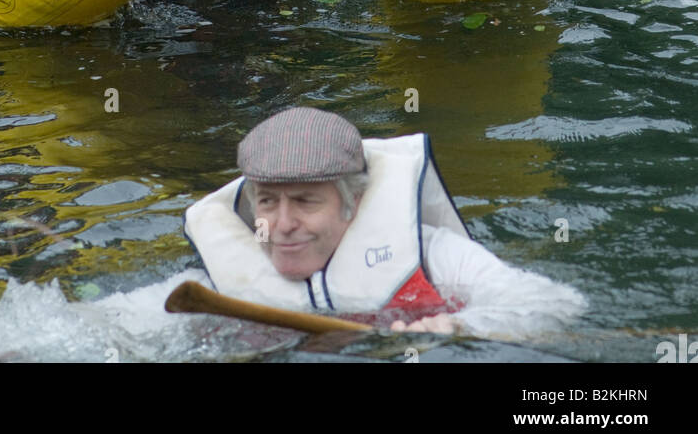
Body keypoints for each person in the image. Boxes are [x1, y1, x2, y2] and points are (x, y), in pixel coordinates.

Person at [184, 107, 586, 337]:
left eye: (306, 202)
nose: (283, 224)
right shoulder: (212, 286)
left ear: (353, 202)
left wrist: (460, 326)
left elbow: (557, 304)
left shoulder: (434, 257)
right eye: (268, 202)